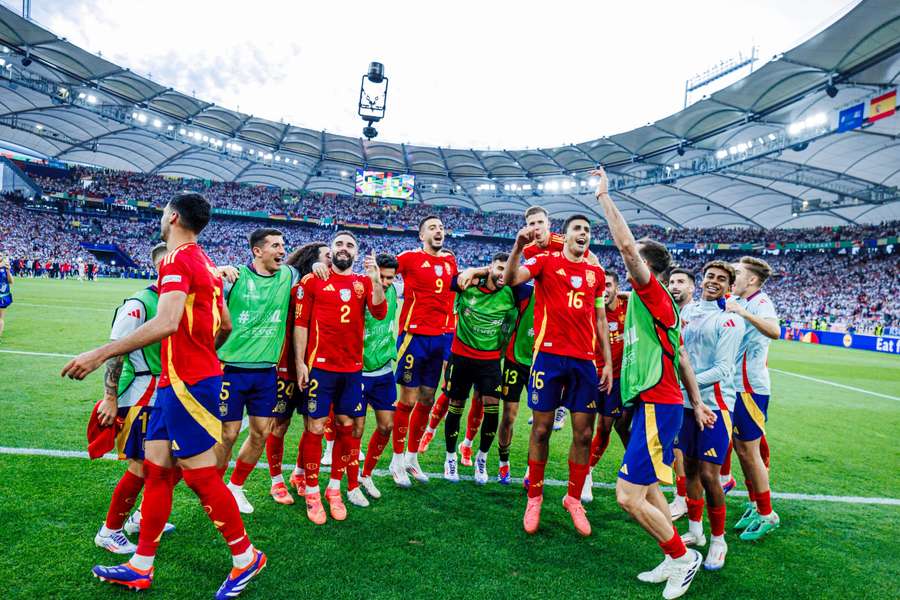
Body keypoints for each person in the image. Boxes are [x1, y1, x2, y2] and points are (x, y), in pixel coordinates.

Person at [61, 192, 266, 599]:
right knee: (156, 470)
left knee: (201, 476)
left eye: (161, 213)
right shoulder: (206, 262)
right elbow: (224, 324)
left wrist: (99, 353)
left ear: (172, 217)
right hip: (176, 383)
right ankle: (141, 564)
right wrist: (203, 349)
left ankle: (247, 557)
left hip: (188, 384)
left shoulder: (176, 259)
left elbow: (168, 321)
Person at [592, 167, 713, 600]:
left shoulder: (654, 295)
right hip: (650, 402)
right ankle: (672, 555)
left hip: (657, 404)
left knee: (627, 497)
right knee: (647, 490)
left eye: (638, 261)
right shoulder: (646, 301)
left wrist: (605, 198)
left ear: (651, 268)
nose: (629, 266)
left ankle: (683, 557)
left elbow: (625, 246)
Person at [504, 214, 613, 537]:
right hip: (548, 359)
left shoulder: (596, 273)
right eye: (578, 229)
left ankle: (573, 498)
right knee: (541, 430)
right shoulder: (544, 262)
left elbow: (600, 319)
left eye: (588, 231)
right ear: (563, 236)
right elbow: (510, 280)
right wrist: (517, 247)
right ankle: (534, 496)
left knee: (582, 434)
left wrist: (606, 361)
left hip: (584, 362)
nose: (584, 234)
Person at [293, 231, 386, 524]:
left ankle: (334, 488)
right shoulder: (313, 281)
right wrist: (299, 362)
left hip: (351, 369)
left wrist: (375, 278)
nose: (344, 249)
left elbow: (380, 312)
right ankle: (311, 491)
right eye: (339, 244)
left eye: (350, 245)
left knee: (346, 426)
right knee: (316, 427)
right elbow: (301, 325)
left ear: (356, 254)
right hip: (320, 368)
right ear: (330, 251)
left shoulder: (362, 282)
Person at [93, 243, 174, 554]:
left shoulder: (176, 301)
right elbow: (115, 353)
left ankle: (142, 518)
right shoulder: (139, 304)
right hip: (142, 395)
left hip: (169, 395)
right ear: (159, 267)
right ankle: (110, 530)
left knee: (169, 464)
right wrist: (109, 398)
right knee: (141, 467)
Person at [217, 228, 298, 514]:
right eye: (276, 245)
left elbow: (308, 264)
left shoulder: (288, 275)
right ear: (257, 251)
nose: (282, 250)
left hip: (266, 373)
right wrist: (215, 269)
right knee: (227, 434)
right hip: (231, 370)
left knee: (261, 432)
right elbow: (197, 279)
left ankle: (235, 487)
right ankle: (213, 489)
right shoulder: (235, 278)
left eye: (283, 245)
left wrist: (315, 265)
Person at [677, 261, 745, 571]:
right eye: (710, 277)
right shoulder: (687, 312)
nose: (714, 282)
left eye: (721, 279)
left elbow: (723, 370)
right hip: (686, 404)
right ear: (702, 280)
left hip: (716, 407)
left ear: (730, 287)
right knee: (689, 468)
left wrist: (685, 381)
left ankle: (719, 540)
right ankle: (695, 530)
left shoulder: (729, 321)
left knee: (709, 474)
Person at [442, 252, 531, 484]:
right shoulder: (468, 284)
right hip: (461, 356)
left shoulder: (514, 292)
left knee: (492, 410)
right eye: (499, 267)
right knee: (456, 407)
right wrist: (475, 271)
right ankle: (450, 458)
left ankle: (482, 458)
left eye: (508, 269)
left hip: (490, 362)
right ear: (491, 267)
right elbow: (452, 281)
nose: (503, 273)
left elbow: (542, 286)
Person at [390, 216, 460, 486]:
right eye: (432, 228)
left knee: (428, 399)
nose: (438, 231)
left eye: (441, 227)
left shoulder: (450, 261)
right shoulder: (408, 258)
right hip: (413, 337)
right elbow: (385, 272)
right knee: (407, 400)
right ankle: (396, 460)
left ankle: (411, 457)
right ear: (422, 236)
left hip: (440, 338)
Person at [266, 242, 330, 504]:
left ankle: (300, 473)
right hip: (286, 366)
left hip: (316, 366)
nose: (331, 260)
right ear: (313, 259)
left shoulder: (329, 287)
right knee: (279, 424)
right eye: (326, 257)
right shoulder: (292, 285)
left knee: (312, 424)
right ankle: (276, 480)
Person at [725, 256, 781, 541]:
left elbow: (775, 331)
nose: (732, 277)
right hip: (735, 386)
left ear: (752, 280)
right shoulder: (741, 301)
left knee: (750, 451)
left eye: (737, 273)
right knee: (743, 450)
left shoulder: (760, 302)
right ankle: (755, 503)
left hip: (751, 388)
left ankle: (767, 513)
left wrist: (743, 313)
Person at [356, 253, 401, 503]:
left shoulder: (393, 291)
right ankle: (350, 481)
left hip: (383, 371)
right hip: (359, 372)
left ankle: (366, 474)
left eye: (389, 278)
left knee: (386, 426)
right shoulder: (361, 290)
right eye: (381, 277)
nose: (384, 282)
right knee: (356, 430)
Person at [583, 270, 630, 503]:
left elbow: (644, 295)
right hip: (593, 373)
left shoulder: (627, 305)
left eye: (610, 285)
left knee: (608, 426)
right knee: (588, 428)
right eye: (603, 286)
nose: (606, 290)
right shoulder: (593, 309)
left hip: (622, 378)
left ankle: (587, 472)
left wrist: (623, 293)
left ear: (617, 287)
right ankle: (585, 474)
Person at [665, 267, 697, 520]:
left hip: (696, 392)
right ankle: (682, 498)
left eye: (681, 282)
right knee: (677, 448)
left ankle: (682, 500)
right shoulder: (668, 309)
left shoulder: (698, 314)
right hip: (674, 389)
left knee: (684, 451)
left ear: (692, 287)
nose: (675, 286)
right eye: (672, 281)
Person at [0, 254, 12, 338]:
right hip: (3, 296)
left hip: (2, 297)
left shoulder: (5, 268)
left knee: (1, 318)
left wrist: (8, 271)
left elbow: (11, 281)